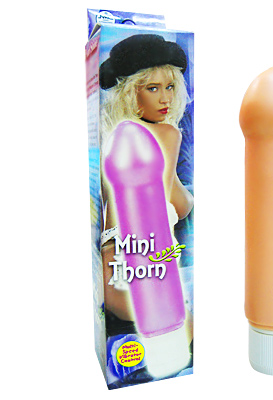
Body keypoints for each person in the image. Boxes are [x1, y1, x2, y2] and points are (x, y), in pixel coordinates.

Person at [99, 34, 194, 339]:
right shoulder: (167, 135)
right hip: (145, 264)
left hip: (112, 265)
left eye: (170, 87)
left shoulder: (113, 136)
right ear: (130, 93)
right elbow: (176, 206)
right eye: (152, 88)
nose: (165, 99)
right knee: (181, 337)